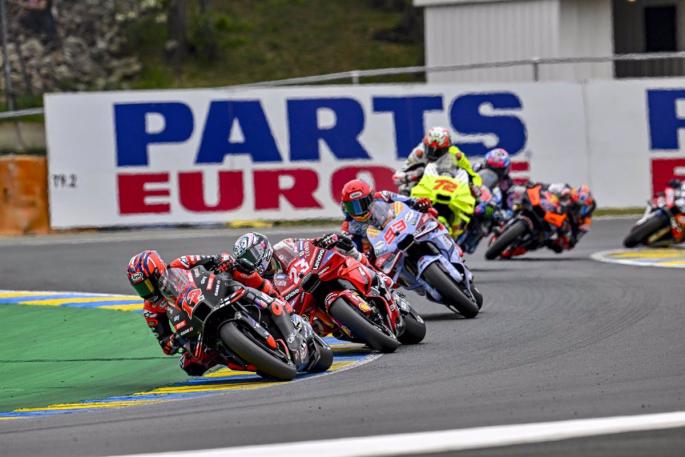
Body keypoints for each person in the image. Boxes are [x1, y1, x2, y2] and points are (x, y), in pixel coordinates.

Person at [126, 249, 281, 376]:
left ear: (158, 272)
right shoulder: (150, 310)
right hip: (194, 326)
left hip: (213, 295)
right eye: (141, 288)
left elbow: (215, 259)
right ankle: (250, 361)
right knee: (190, 365)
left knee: (240, 271)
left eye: (147, 284)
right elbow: (165, 344)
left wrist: (223, 262)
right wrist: (175, 340)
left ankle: (275, 300)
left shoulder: (181, 263)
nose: (147, 291)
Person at [339, 178, 435, 255]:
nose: (359, 211)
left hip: (402, 230)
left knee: (430, 214)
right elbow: (353, 250)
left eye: (362, 203)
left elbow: (409, 201)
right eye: (352, 207)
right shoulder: (347, 227)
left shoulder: (383, 196)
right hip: (382, 253)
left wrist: (420, 203)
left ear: (370, 197)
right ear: (345, 207)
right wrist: (365, 254)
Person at [392, 126, 482, 195]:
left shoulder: (456, 154)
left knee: (476, 201)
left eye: (439, 151)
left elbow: (473, 175)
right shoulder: (419, 153)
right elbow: (397, 177)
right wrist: (411, 176)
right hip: (423, 188)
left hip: (450, 189)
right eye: (430, 149)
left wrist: (475, 186)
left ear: (447, 148)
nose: (433, 153)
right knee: (404, 191)